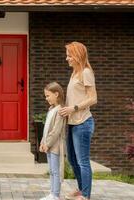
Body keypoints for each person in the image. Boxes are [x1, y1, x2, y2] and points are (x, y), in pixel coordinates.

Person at [59, 42, 97, 200]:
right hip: (72, 123)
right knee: (73, 160)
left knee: (82, 161)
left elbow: (93, 98)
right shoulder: (75, 73)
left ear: (77, 55)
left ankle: (86, 195)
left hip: (83, 123)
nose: (67, 58)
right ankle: (82, 189)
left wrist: (73, 108)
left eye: (69, 55)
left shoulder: (86, 72)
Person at [39, 82, 66, 200]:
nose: (46, 98)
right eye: (45, 96)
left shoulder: (60, 111)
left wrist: (47, 144)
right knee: (51, 170)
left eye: (48, 96)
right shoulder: (51, 109)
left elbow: (56, 131)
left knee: (55, 171)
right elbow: (46, 128)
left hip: (54, 146)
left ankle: (56, 195)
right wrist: (42, 142)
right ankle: (52, 193)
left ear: (56, 94)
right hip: (48, 145)